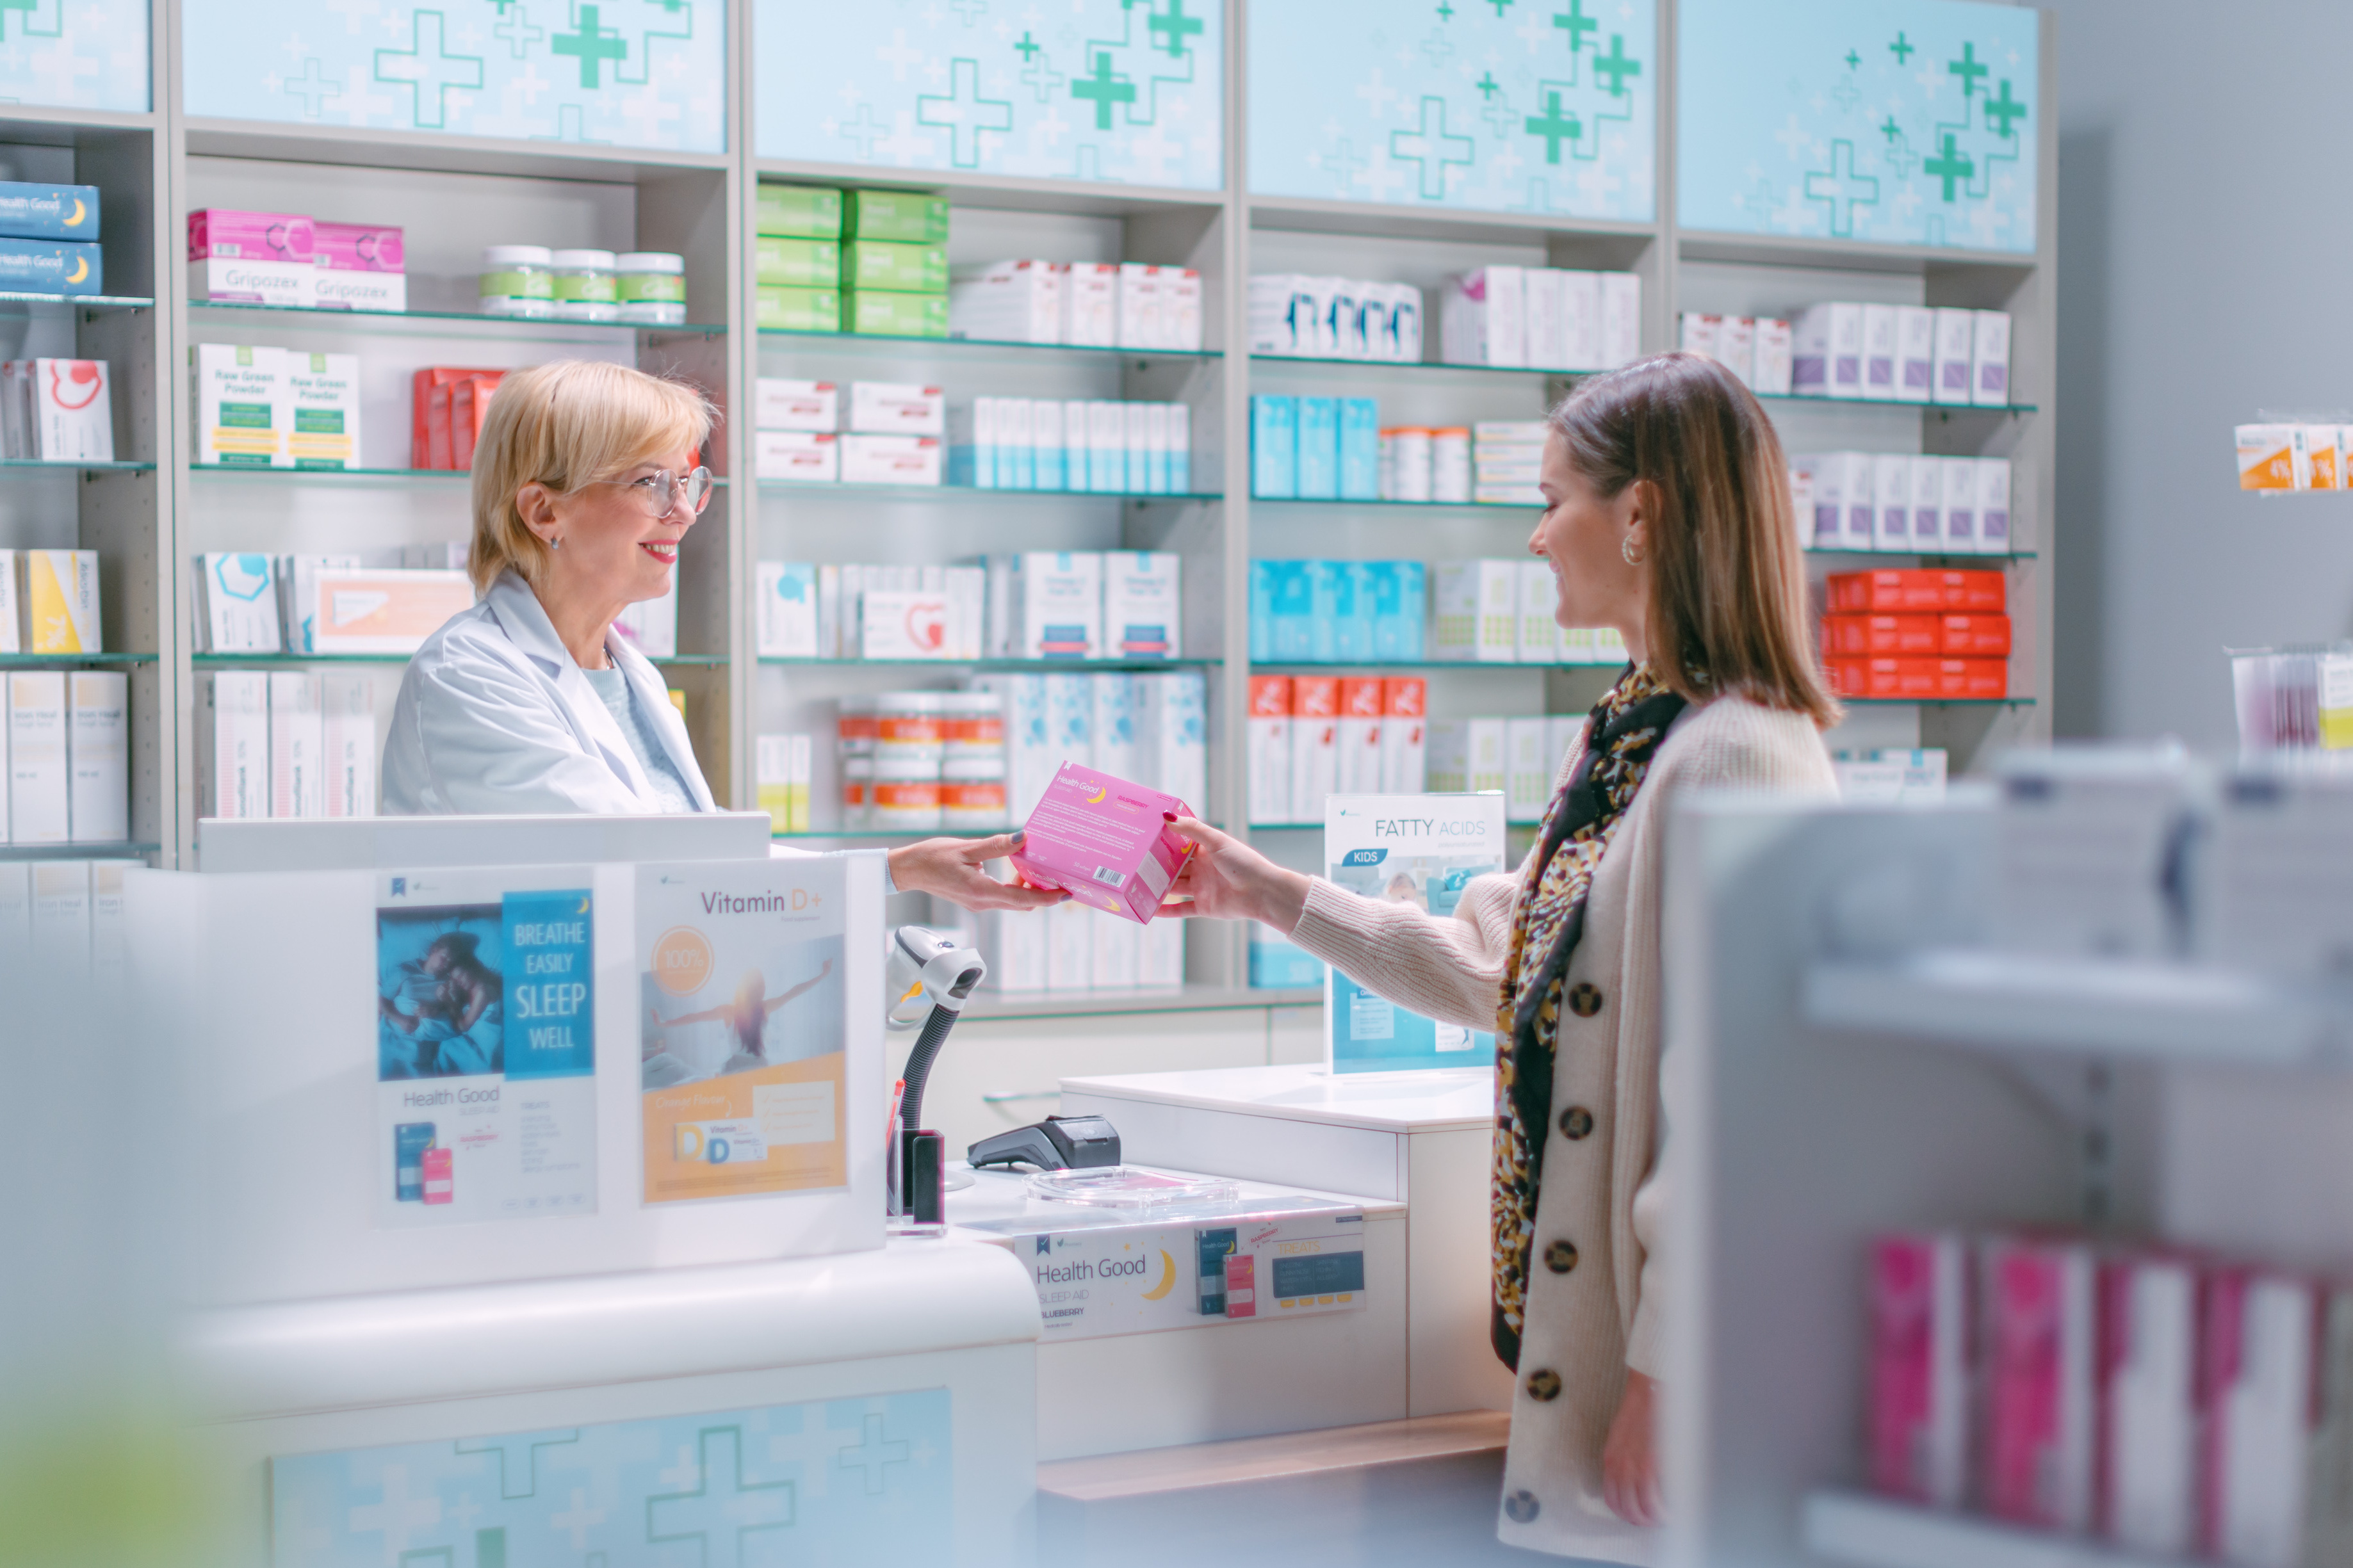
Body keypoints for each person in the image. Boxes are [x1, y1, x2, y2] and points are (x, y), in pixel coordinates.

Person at [1160, 353, 1839, 1562]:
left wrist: (1671, 1378)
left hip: (1668, 1381)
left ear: (1643, 516)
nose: (1533, 537)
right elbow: (1501, 970)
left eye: (1551, 498)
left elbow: (1753, 1118)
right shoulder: (1636, 733)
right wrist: (1261, 889)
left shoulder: (1737, 756)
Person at [380, 359, 1061, 916]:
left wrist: (898, 869)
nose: (681, 512)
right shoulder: (469, 677)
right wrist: (883, 875)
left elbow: (692, 851)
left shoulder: (625, 670)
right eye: (649, 482)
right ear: (543, 510)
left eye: (688, 482)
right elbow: (641, 861)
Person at [663, 960, 836, 1075]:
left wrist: (665, 1023)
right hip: (757, 1068)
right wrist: (823, 975)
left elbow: (695, 1017)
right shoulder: (764, 1008)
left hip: (736, 1069)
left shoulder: (729, 1011)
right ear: (761, 989)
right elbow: (794, 992)